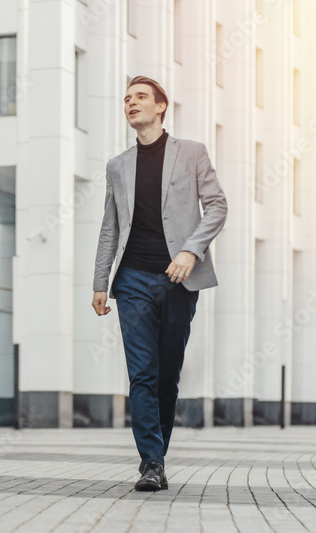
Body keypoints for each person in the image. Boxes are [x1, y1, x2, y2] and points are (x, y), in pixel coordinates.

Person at [92, 75, 228, 491]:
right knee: (142, 373)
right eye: (126, 99)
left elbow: (218, 206)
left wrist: (190, 250)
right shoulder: (117, 165)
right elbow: (110, 228)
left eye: (140, 98)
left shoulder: (191, 153)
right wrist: (100, 281)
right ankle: (151, 462)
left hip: (177, 280)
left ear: (161, 106)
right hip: (132, 279)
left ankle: (157, 456)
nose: (131, 103)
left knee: (167, 375)